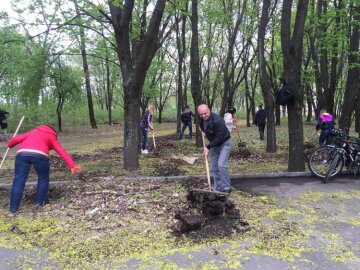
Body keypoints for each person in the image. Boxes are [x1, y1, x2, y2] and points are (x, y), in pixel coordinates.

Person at [7, 125, 82, 213]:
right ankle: (39, 203)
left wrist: (10, 142)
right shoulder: (51, 136)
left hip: (22, 154)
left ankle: (13, 208)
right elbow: (61, 150)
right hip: (40, 155)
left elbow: (12, 142)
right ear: (53, 132)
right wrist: (72, 165)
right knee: (43, 179)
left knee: (18, 180)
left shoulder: (32, 132)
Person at [198, 104, 232, 194]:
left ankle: (226, 187)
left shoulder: (217, 120)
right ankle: (218, 187)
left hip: (225, 143)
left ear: (209, 110)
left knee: (221, 165)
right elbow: (203, 127)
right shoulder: (201, 119)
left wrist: (208, 147)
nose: (203, 116)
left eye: (205, 113)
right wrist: (202, 129)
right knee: (213, 167)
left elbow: (220, 137)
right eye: (201, 114)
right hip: (214, 145)